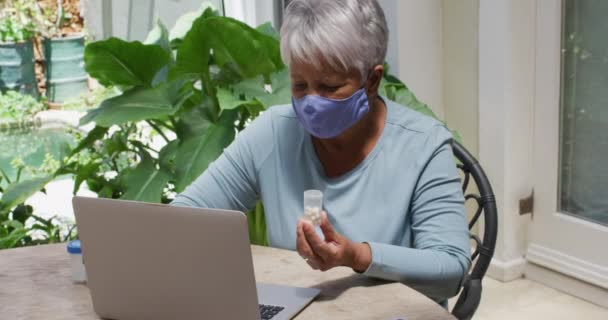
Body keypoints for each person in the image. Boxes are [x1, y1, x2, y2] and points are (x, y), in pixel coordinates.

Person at [171, 0, 470, 305]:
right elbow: (183, 220)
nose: (312, 101)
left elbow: (451, 271)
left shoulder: (423, 146)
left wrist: (358, 255)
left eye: (329, 86)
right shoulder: (272, 134)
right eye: (300, 85)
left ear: (372, 81)